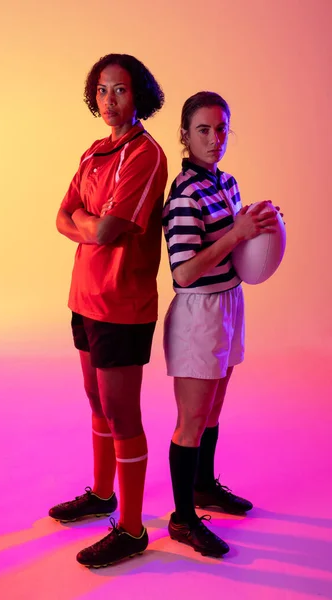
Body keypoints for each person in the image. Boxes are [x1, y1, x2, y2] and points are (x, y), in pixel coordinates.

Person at [49, 53, 167, 568]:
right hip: (84, 296)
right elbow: (61, 217)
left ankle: (133, 528)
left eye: (119, 90)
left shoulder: (146, 154)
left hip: (123, 303)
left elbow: (104, 230)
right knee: (95, 402)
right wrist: (86, 223)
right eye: (101, 90)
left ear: (139, 93)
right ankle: (102, 495)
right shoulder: (93, 152)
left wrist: (87, 222)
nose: (109, 100)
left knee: (122, 415)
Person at [162, 91, 279, 556]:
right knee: (191, 420)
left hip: (229, 303)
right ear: (185, 136)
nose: (215, 139)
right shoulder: (184, 196)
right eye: (204, 130)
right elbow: (183, 271)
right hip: (198, 312)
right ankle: (182, 518)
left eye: (221, 129)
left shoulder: (227, 183)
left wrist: (261, 225)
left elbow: (240, 246)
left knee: (212, 412)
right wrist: (237, 232)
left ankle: (204, 486)